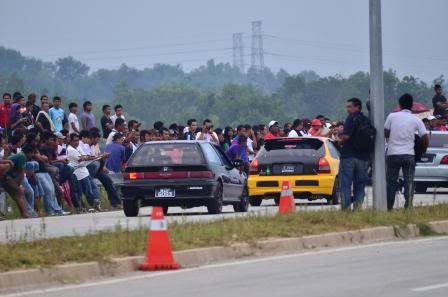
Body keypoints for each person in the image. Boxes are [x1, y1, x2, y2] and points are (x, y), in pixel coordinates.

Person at [385, 93, 429, 210]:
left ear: (400, 105)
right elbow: (424, 138)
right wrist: (423, 150)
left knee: (391, 181)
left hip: (393, 154)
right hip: (409, 155)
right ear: (412, 106)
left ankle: (389, 207)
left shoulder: (391, 116)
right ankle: (408, 206)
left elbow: (386, 133)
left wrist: (392, 139)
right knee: (409, 181)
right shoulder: (416, 120)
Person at [337, 98, 371, 210]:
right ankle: (357, 209)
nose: (347, 109)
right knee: (360, 185)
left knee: (346, 184)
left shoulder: (351, 118)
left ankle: (346, 210)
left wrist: (339, 141)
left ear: (357, 107)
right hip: (364, 158)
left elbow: (346, 137)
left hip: (349, 157)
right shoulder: (366, 120)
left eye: (349, 106)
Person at [66, 133, 101, 211]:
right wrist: (91, 157)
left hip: (84, 170)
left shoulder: (78, 147)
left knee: (89, 189)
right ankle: (89, 206)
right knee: (85, 191)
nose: (77, 142)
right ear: (70, 141)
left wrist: (88, 157)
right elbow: (82, 158)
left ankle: (93, 206)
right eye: (74, 141)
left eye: (77, 140)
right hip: (78, 173)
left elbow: (85, 156)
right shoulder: (70, 150)